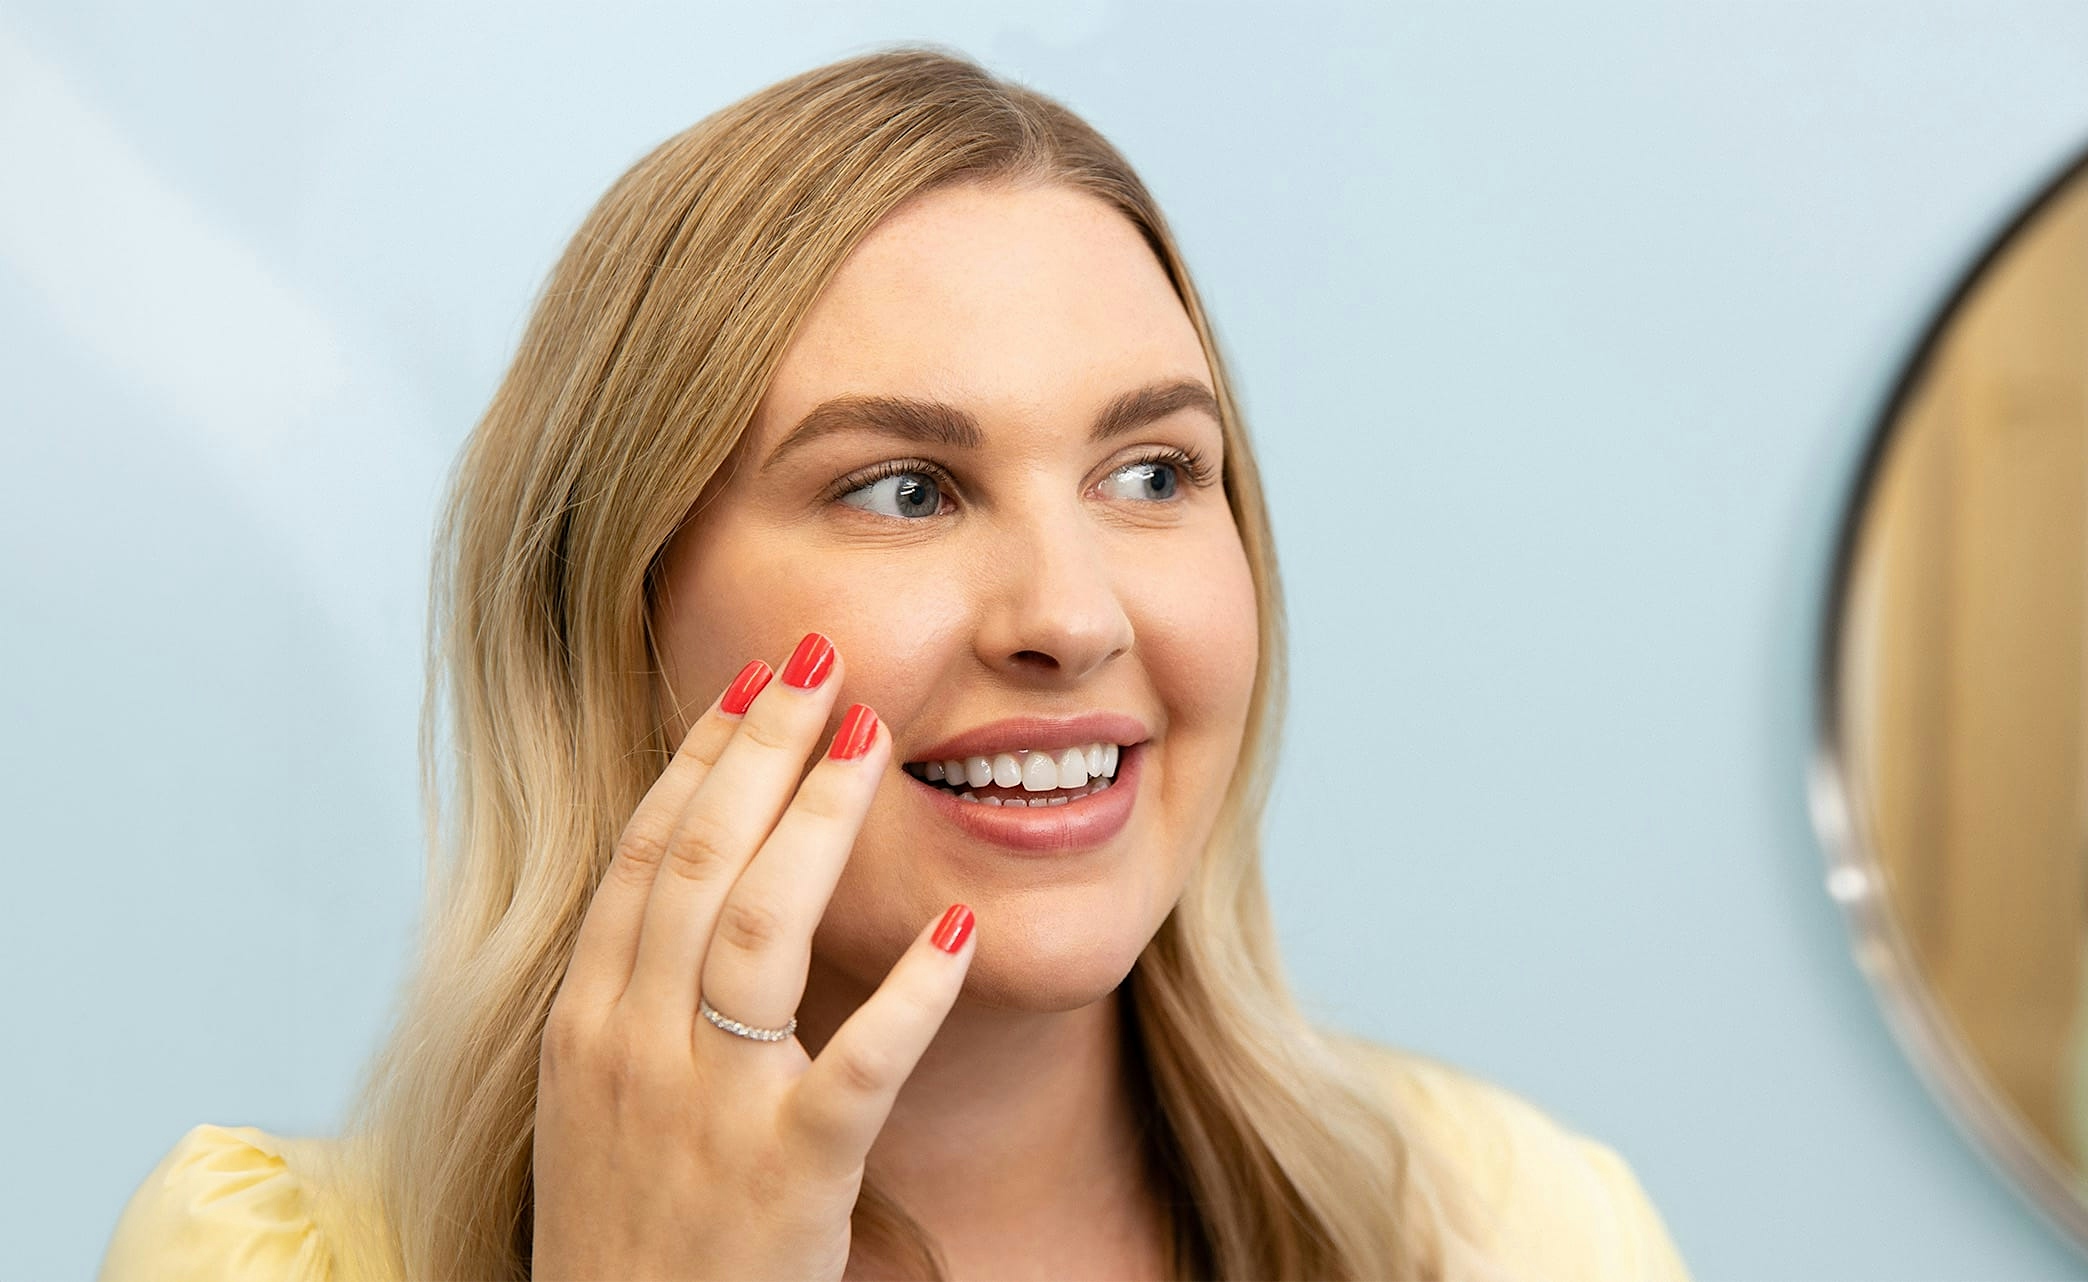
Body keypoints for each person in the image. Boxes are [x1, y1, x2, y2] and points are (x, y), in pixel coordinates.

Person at [97, 46, 1689, 1282]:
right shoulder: (255, 1256)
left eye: (1152, 472)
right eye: (903, 489)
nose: (1069, 616)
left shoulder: (1517, 1228)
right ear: (618, 610)